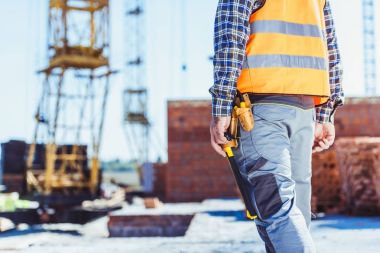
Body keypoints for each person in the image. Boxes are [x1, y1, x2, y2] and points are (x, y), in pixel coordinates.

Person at [209, 0, 344, 252]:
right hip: (303, 110)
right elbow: (331, 48)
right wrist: (326, 114)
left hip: (261, 108)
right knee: (293, 215)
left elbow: (231, 39)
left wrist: (221, 107)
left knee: (278, 209)